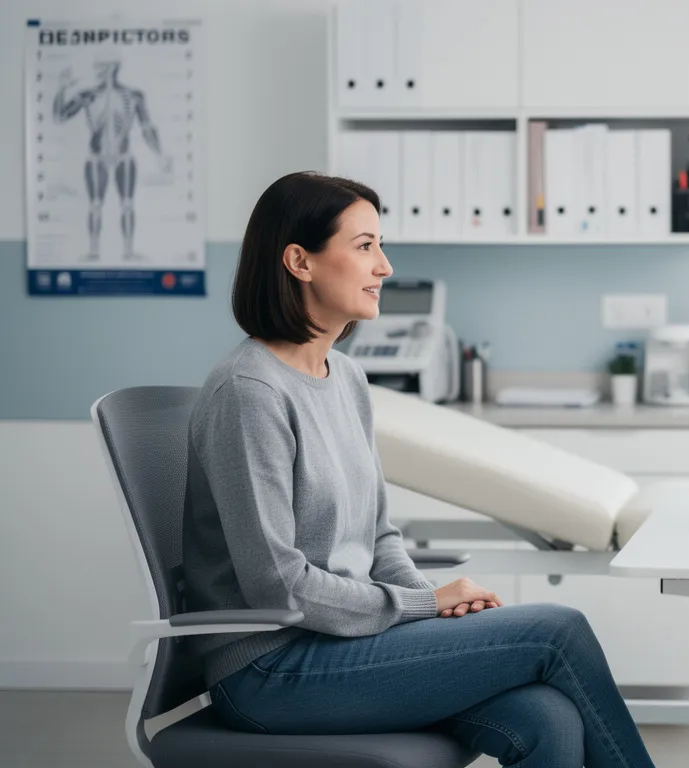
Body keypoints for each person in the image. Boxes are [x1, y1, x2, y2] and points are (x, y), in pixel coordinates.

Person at [181, 172, 656, 768]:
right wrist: (425, 606)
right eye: (364, 246)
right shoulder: (249, 391)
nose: (384, 266)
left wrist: (433, 606)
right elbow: (277, 584)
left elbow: (377, 535)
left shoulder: (346, 378)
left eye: (380, 246)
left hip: (347, 643)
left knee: (547, 717)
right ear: (299, 261)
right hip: (272, 667)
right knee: (557, 631)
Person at [52, 56, 167, 261]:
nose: (96, 68)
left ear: (113, 67)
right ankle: (94, 251)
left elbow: (147, 127)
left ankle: (128, 251)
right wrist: (61, 88)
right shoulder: (88, 95)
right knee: (95, 204)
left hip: (124, 156)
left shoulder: (133, 96)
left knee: (127, 204)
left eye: (101, 65)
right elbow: (59, 116)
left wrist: (160, 155)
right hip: (96, 157)